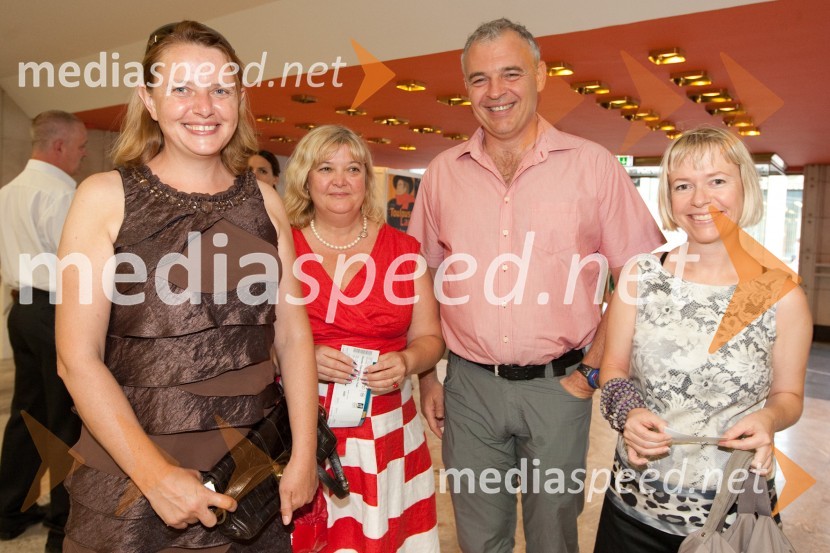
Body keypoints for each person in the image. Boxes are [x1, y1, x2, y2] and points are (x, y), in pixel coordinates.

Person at [54, 21, 318, 552]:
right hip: (131, 476)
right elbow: (76, 358)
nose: (204, 105)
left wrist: (306, 454)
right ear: (149, 100)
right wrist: (155, 476)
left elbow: (293, 338)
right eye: (182, 88)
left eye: (220, 89)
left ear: (240, 101)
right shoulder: (104, 197)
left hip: (247, 477)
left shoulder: (266, 202)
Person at [407, 18, 665, 553]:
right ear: (466, 89)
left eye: (510, 74)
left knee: (554, 535)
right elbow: (422, 277)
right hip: (470, 389)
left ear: (541, 75)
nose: (495, 92)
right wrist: (429, 375)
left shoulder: (592, 167)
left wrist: (592, 369)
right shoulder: (442, 174)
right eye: (479, 79)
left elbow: (644, 276)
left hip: (561, 386)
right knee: (480, 537)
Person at [594, 126, 812, 553]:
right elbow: (613, 370)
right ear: (669, 198)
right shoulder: (641, 276)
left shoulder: (782, 295)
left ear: (744, 187)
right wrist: (628, 412)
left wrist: (768, 420)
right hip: (634, 507)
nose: (700, 199)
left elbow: (789, 395)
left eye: (717, 180)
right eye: (683, 185)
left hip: (735, 517)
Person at [283, 124, 444, 552]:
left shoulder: (404, 251)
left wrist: (408, 362)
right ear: (305, 178)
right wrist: (301, 356)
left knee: (384, 536)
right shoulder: (282, 247)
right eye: (326, 168)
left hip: (387, 426)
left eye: (353, 169)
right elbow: (255, 338)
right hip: (303, 427)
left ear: (366, 180)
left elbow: (430, 336)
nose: (340, 180)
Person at [0, 110, 86, 553]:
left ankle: (8, 512)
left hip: (21, 309)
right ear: (59, 147)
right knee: (63, 420)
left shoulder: (8, 191)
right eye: (80, 147)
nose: (82, 154)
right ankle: (61, 521)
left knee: (25, 415)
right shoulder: (63, 192)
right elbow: (76, 263)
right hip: (56, 311)